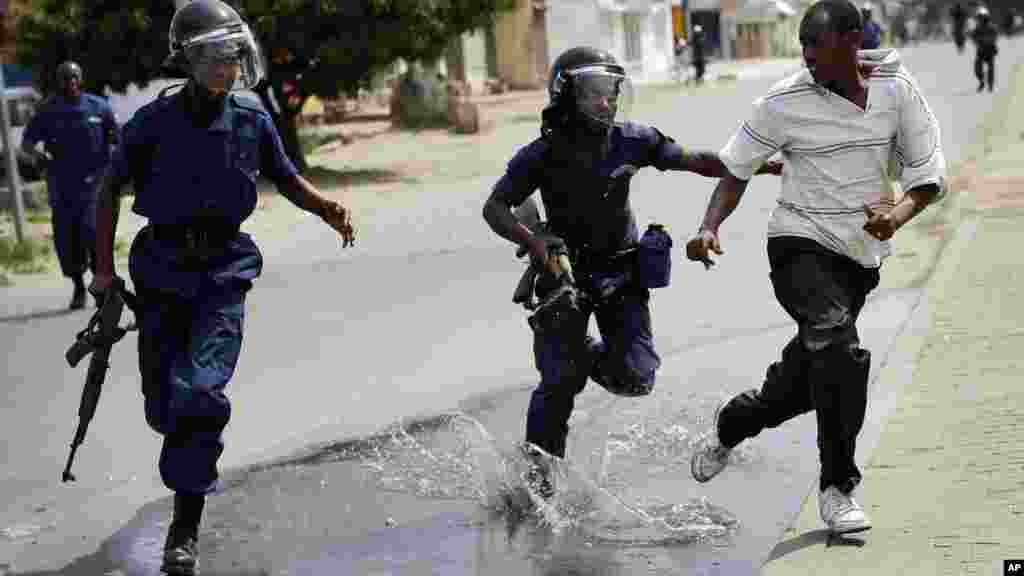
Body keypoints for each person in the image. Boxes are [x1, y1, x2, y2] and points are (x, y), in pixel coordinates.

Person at [87, 1, 356, 574]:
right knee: (166, 405)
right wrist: (102, 272)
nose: (224, 66)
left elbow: (284, 176)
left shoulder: (251, 115)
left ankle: (183, 532)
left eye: (231, 54)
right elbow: (108, 189)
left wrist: (327, 207)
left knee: (200, 395)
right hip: (159, 268)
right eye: (210, 55)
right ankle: (176, 430)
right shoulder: (151, 123)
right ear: (187, 59)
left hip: (223, 271)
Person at [685, 0, 945, 536]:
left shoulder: (897, 91)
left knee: (805, 382)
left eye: (815, 43)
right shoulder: (782, 102)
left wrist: (894, 217)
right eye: (801, 43)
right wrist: (710, 226)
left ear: (851, 41)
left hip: (860, 258)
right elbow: (737, 169)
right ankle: (837, 489)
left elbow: (926, 176)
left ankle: (733, 424)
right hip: (798, 244)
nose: (804, 55)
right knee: (839, 351)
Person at [482, 46, 781, 496]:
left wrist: (752, 165)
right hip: (563, 276)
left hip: (621, 273)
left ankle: (579, 353)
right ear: (566, 96)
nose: (607, 102)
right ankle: (538, 480)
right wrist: (534, 241)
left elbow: (696, 160)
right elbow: (495, 207)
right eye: (595, 93)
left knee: (636, 379)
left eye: (612, 92)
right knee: (558, 384)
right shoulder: (540, 154)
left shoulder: (633, 139)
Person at [21, 61, 119, 310]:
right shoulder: (48, 110)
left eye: (74, 78)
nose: (70, 83)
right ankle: (77, 285)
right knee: (67, 239)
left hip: (95, 183)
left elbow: (117, 138)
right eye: (65, 79)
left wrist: (116, 163)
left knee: (93, 232)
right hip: (62, 185)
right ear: (59, 82)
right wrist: (38, 157)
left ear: (80, 79)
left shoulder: (99, 107)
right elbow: (28, 143)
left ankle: (101, 282)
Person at [970, 6, 998, 92]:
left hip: (989, 50)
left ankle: (990, 85)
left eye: (981, 17)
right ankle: (981, 81)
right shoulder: (977, 28)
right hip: (981, 51)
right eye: (979, 17)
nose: (980, 19)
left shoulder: (991, 27)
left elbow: (994, 37)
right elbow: (973, 37)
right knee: (977, 68)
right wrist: (977, 41)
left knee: (991, 69)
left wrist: (986, 41)